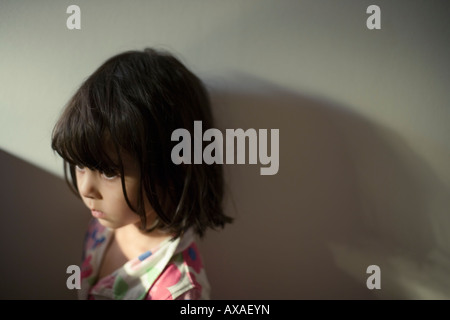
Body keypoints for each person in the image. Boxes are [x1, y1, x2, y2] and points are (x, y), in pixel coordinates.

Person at [51, 48, 232, 300]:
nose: (86, 189)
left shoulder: (179, 291)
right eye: (81, 165)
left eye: (109, 171)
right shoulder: (104, 224)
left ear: (172, 168)